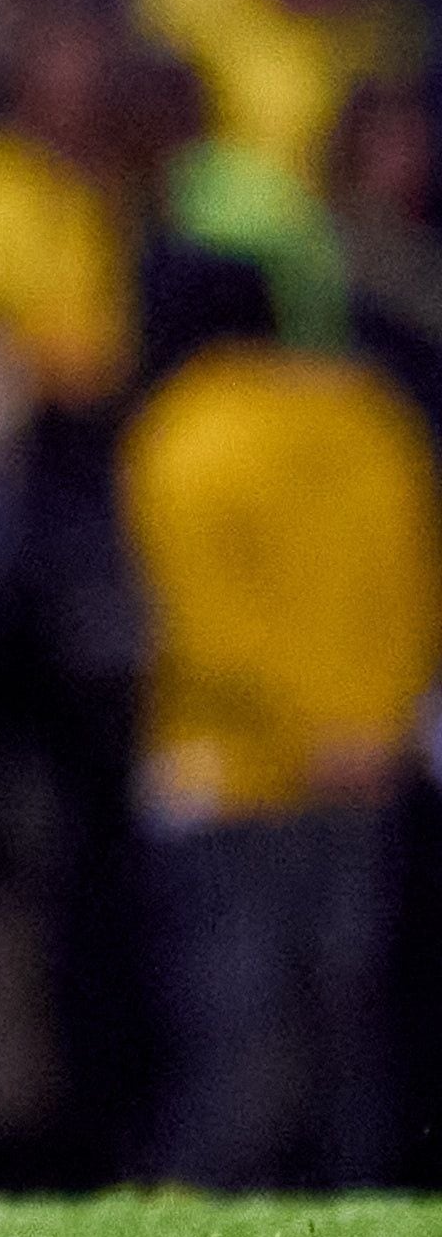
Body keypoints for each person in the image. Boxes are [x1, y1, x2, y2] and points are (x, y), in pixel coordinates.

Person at [121, 247, 440, 1185]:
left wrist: (307, 737)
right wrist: (375, 727)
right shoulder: (372, 417)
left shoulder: (184, 426)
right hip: (370, 770)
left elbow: (202, 621)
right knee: (353, 1040)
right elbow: (416, 590)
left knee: (235, 1042)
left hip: (225, 779)